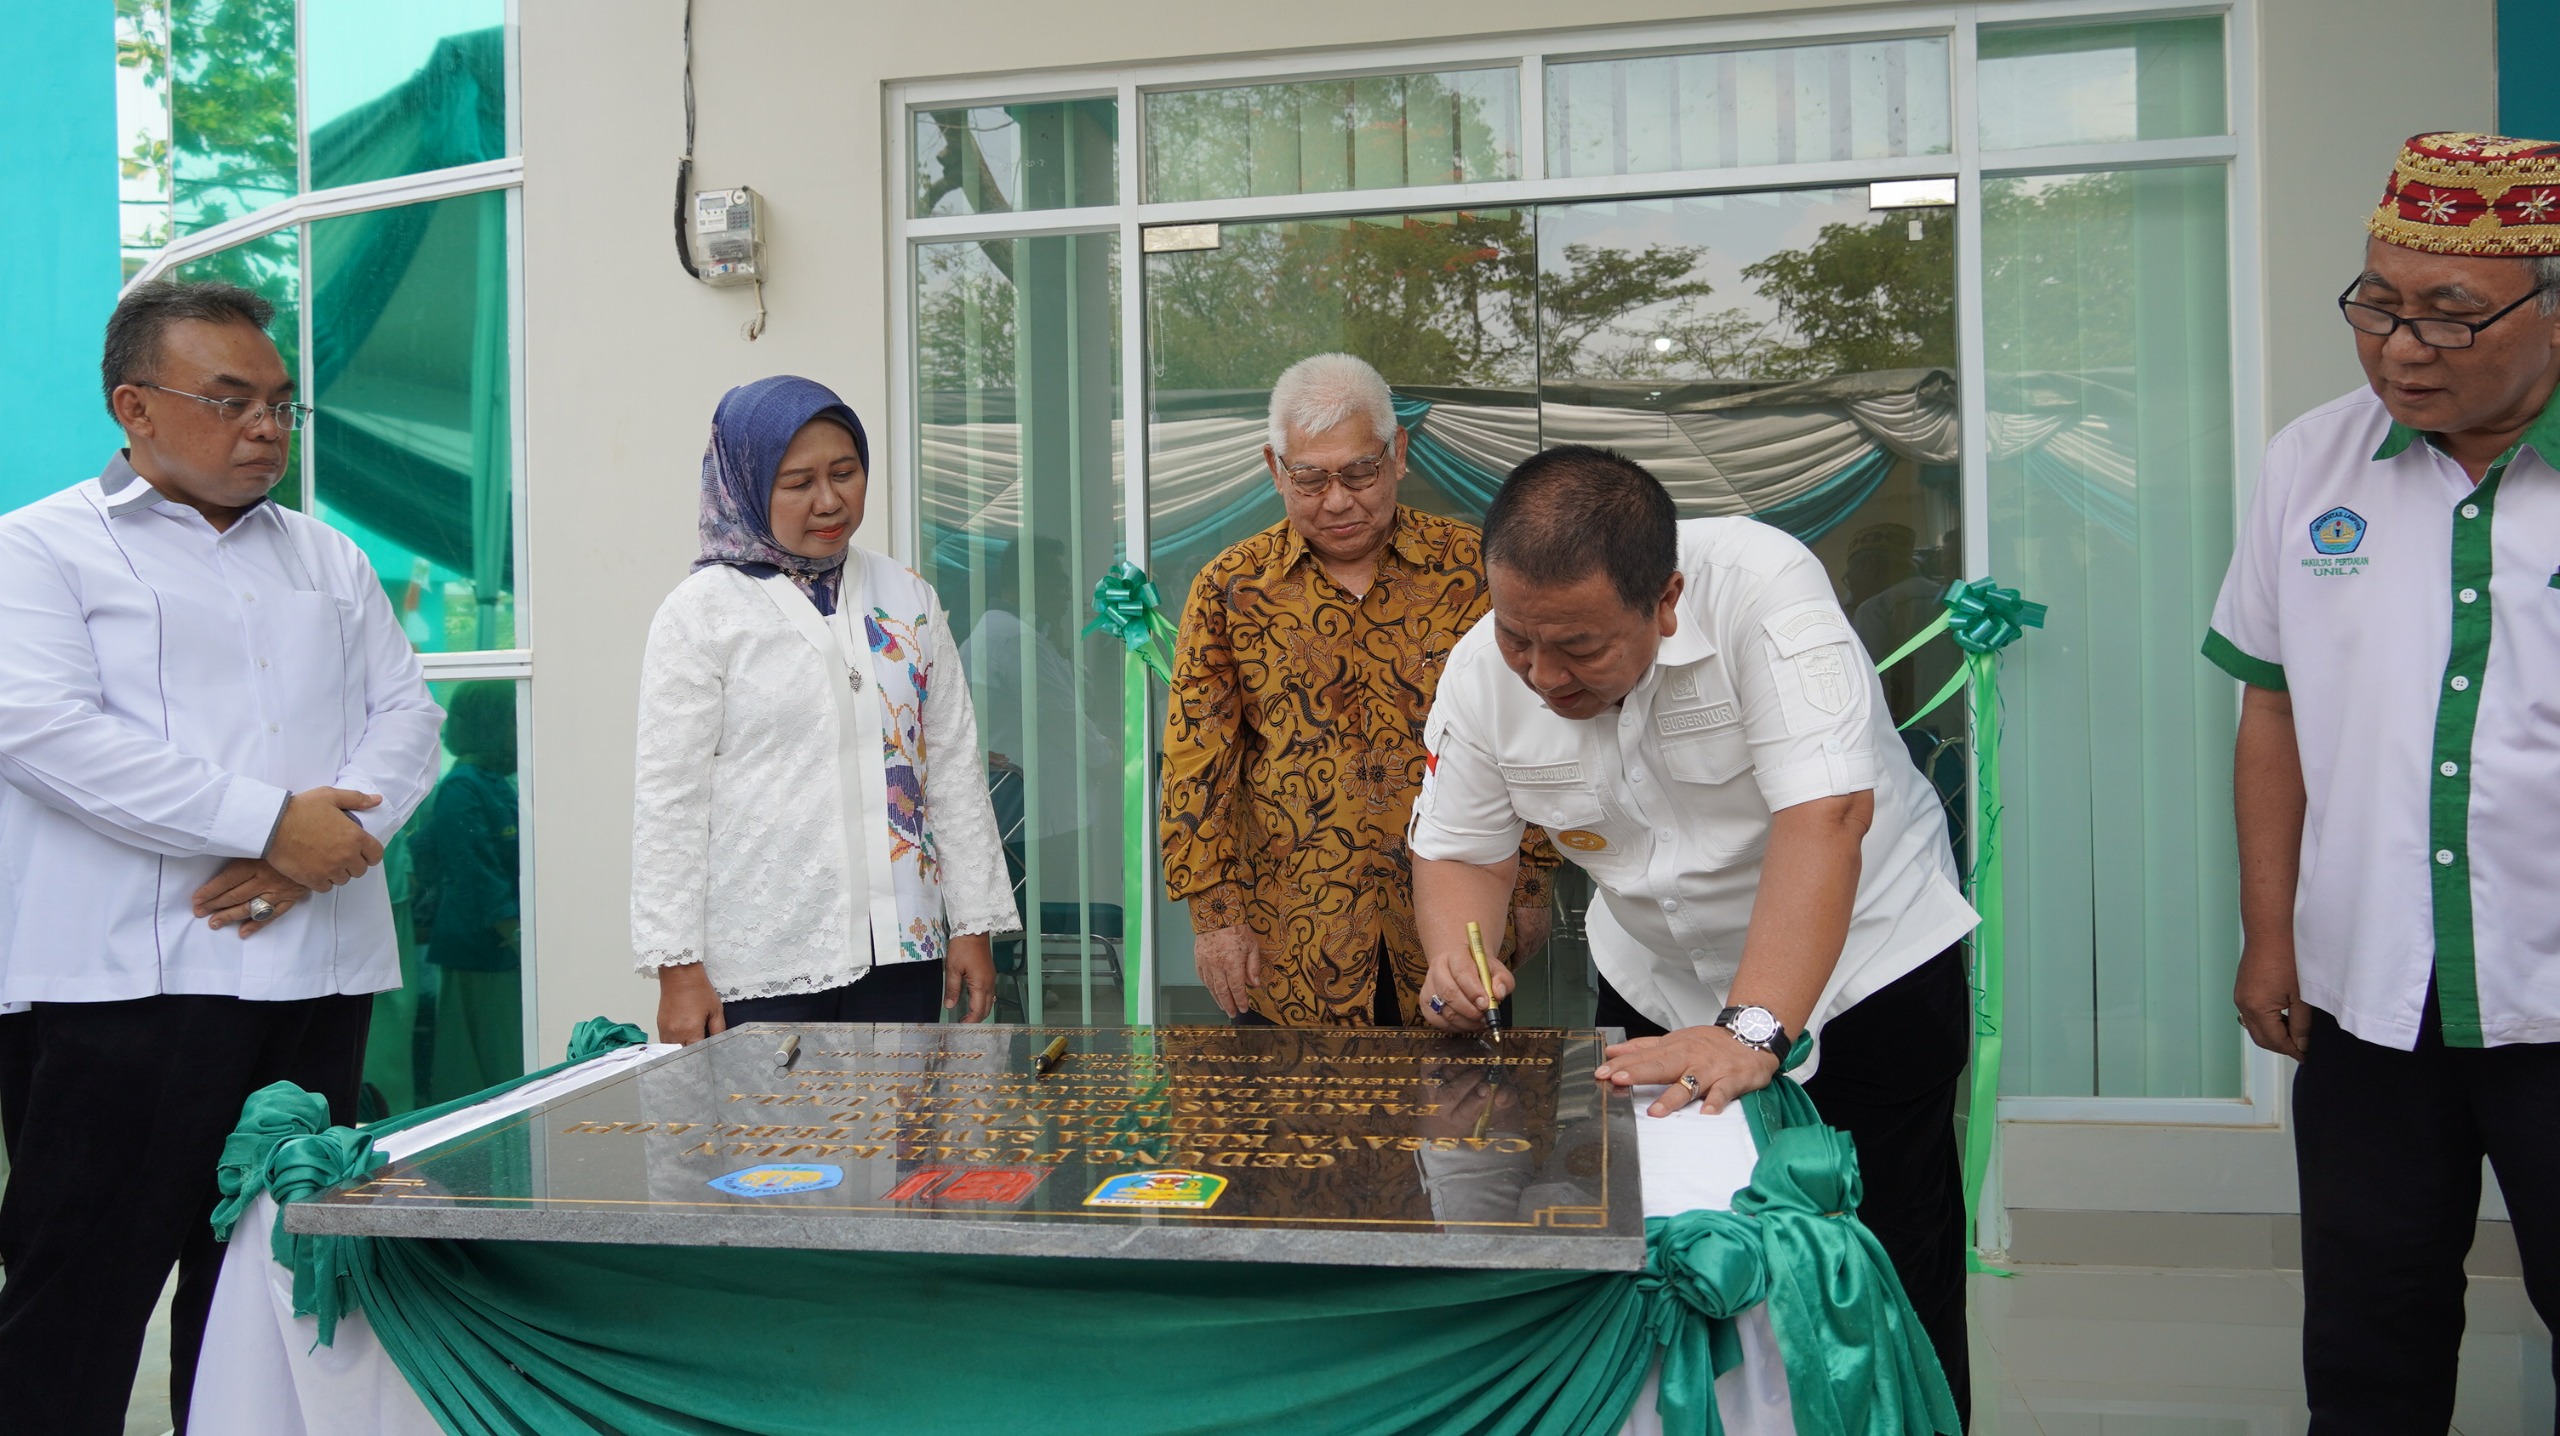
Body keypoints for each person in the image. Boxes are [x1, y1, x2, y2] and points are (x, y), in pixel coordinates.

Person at [1407, 445, 1979, 1422]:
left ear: (1665, 598)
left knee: (1874, 1261)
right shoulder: (1482, 666)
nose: (1542, 673)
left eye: (1579, 647)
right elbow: (1466, 848)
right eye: (1519, 639)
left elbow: (1825, 816)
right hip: (1656, 981)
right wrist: (1457, 958)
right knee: (1665, 1259)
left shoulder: (1767, 591)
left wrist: (1753, 1027)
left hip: (1864, 965)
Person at [0, 280, 442, 1432]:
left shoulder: (328, 558)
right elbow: (46, 732)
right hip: (125, 990)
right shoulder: (38, 550)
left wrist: (318, 851)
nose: (268, 428)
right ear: (134, 407)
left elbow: (409, 717)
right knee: (80, 1296)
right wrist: (263, 821)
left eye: (284, 404)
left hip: (316, 973)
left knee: (270, 1290)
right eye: (232, 400)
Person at [2207, 132, 2560, 1432]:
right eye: (2377, 305)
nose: (2401, 348)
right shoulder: (2313, 462)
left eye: (2451, 315)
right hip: (2370, 1003)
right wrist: (2269, 934)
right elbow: (2273, 706)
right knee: (2369, 1340)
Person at [1160, 353, 1556, 1027]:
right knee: (1298, 1129)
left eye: (1360, 472)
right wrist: (1215, 918)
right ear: (1273, 468)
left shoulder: (1474, 574)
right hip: (1293, 940)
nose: (1337, 500)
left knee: (1460, 1123)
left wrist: (1534, 880)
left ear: (1398, 453)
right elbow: (1198, 762)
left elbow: (1536, 725)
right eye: (1309, 478)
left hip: (1455, 935)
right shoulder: (1232, 588)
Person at [632, 376, 1016, 1039]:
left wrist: (972, 923)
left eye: (845, 472)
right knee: (782, 1143)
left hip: (902, 947)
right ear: (747, 485)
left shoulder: (907, 597)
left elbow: (950, 765)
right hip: (764, 960)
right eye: (798, 482)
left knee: (900, 1138)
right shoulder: (702, 614)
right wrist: (678, 967)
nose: (829, 499)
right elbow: (670, 801)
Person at [418, 680, 522, 1099]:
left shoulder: (495, 782)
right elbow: (475, 873)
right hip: (483, 950)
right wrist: (513, 934)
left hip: (500, 947)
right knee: (487, 1069)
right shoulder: (463, 786)